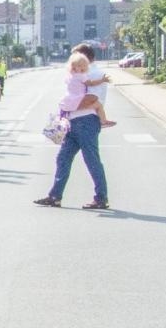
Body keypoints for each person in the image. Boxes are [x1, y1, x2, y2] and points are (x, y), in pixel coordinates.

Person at [36, 48, 111, 210]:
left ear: (85, 59)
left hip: (87, 121)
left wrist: (68, 105)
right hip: (73, 122)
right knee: (63, 158)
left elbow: (92, 99)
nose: (72, 62)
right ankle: (55, 196)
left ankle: (101, 197)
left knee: (91, 160)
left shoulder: (94, 74)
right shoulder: (77, 75)